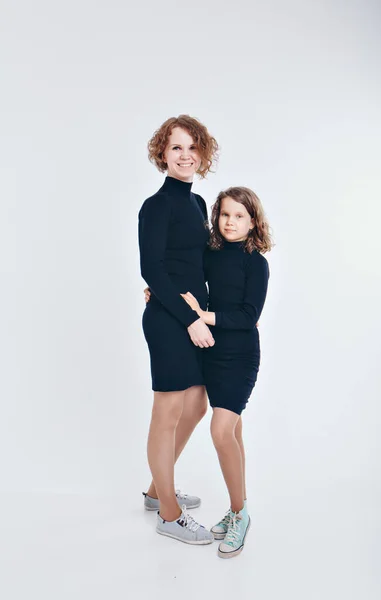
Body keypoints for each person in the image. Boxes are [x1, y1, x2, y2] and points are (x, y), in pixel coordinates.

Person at [146, 186, 273, 558]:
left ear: (253, 222)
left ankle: (240, 512)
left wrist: (205, 317)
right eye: (225, 215)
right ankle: (176, 495)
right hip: (209, 352)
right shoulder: (210, 253)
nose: (230, 222)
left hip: (240, 357)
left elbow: (249, 317)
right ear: (216, 217)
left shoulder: (256, 263)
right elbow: (180, 275)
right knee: (232, 430)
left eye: (239, 216)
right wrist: (156, 290)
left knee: (221, 431)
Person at [138, 115, 219, 545]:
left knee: (198, 404)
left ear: (202, 154)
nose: (185, 154)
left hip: (193, 317)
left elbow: (199, 265)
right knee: (167, 411)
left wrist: (219, 313)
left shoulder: (198, 204)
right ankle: (168, 514)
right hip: (170, 321)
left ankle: (157, 489)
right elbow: (151, 266)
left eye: (192, 147)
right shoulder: (156, 206)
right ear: (162, 155)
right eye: (175, 147)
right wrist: (188, 318)